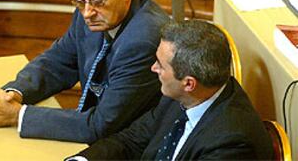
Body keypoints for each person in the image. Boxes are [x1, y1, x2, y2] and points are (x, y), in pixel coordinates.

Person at [0, 0, 170, 143]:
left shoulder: (144, 39)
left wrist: (18, 115)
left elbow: (101, 125)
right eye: (79, 1)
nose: (87, 13)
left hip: (131, 146)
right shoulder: (90, 8)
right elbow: (58, 62)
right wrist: (13, 94)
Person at [70, 20, 274, 160]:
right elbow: (130, 140)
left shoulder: (232, 143)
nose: (153, 68)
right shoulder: (180, 98)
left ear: (188, 83)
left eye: (160, 64)